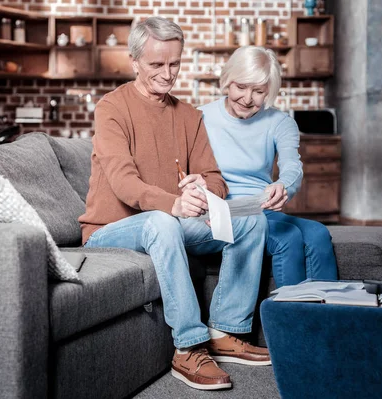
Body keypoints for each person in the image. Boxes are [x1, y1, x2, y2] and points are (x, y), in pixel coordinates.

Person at [78, 17, 271, 391]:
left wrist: (205, 184)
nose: (168, 74)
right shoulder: (112, 109)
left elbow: (216, 177)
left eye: (175, 63)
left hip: (166, 227)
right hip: (109, 231)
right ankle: (187, 347)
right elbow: (123, 182)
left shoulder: (189, 116)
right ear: (134, 61)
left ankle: (225, 331)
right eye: (157, 64)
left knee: (251, 219)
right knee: (161, 222)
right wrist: (175, 204)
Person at [199, 46, 338, 288]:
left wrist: (283, 185)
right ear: (227, 82)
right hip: (224, 213)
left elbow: (292, 165)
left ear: (269, 92)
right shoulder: (200, 118)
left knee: (318, 233)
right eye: (240, 87)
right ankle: (290, 316)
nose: (247, 98)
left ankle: (326, 311)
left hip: (263, 209)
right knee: (289, 237)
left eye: (258, 91)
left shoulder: (280, 122)